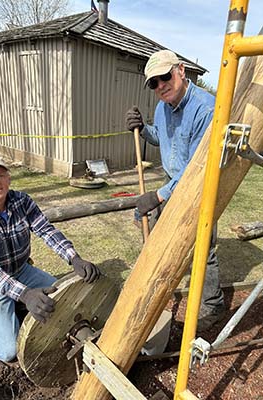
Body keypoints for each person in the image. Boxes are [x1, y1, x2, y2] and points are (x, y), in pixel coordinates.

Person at [0, 155, 100, 363]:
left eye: (0, 175)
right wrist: (26, 295)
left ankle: (18, 303)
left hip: (21, 270)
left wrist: (74, 259)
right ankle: (15, 306)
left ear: (9, 179)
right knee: (9, 352)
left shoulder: (22, 201)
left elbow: (45, 230)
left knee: (64, 300)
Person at [125, 50, 225, 331]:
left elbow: (198, 169)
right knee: (161, 238)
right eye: (153, 83)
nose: (160, 86)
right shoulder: (163, 106)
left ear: (181, 70)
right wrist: (144, 129)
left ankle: (213, 305)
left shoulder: (205, 110)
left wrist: (157, 196)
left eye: (164, 77)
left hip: (200, 188)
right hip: (174, 187)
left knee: (202, 249)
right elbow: (163, 138)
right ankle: (158, 291)